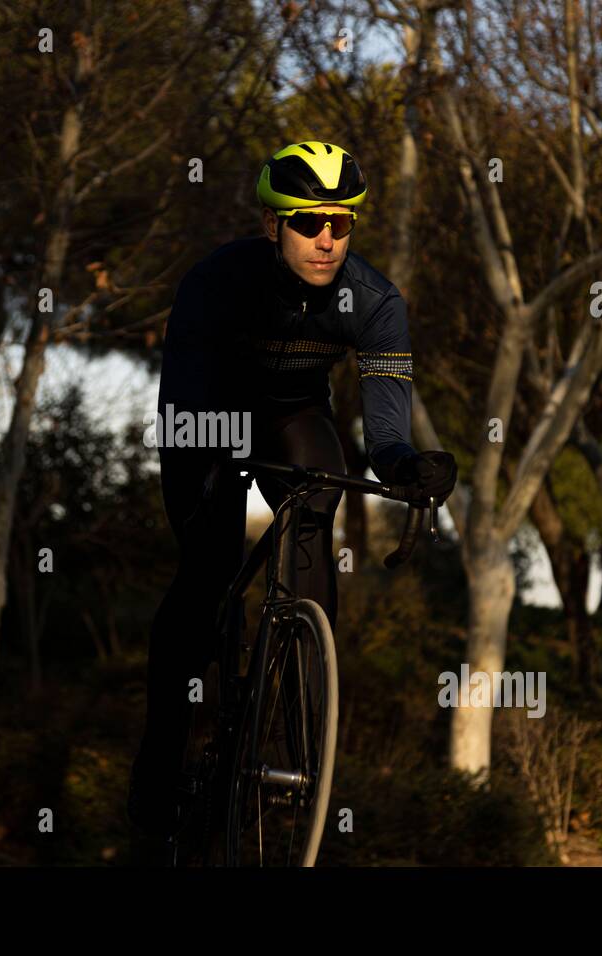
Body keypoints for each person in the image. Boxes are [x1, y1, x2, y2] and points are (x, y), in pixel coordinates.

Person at [127, 141, 457, 841]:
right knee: (210, 563)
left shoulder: (375, 302)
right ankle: (161, 760)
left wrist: (408, 470)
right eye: (310, 223)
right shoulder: (217, 282)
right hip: (206, 413)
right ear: (274, 224)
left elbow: (386, 428)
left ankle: (304, 737)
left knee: (316, 508)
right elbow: (183, 399)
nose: (327, 239)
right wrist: (212, 463)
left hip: (291, 417)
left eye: (342, 223)